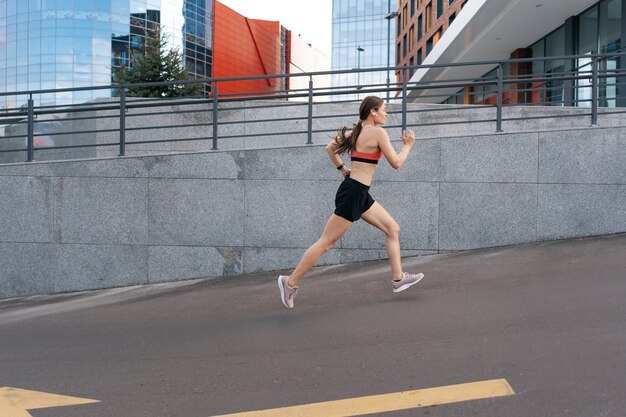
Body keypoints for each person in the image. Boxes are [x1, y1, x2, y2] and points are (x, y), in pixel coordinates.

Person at [278, 95, 424, 309]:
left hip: (359, 192)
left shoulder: (355, 132)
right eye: (383, 109)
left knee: (392, 228)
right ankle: (289, 283)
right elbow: (396, 163)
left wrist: (342, 169)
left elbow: (330, 148)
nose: (386, 113)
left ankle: (398, 279)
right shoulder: (377, 132)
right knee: (326, 243)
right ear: (373, 112)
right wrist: (408, 145)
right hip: (354, 193)